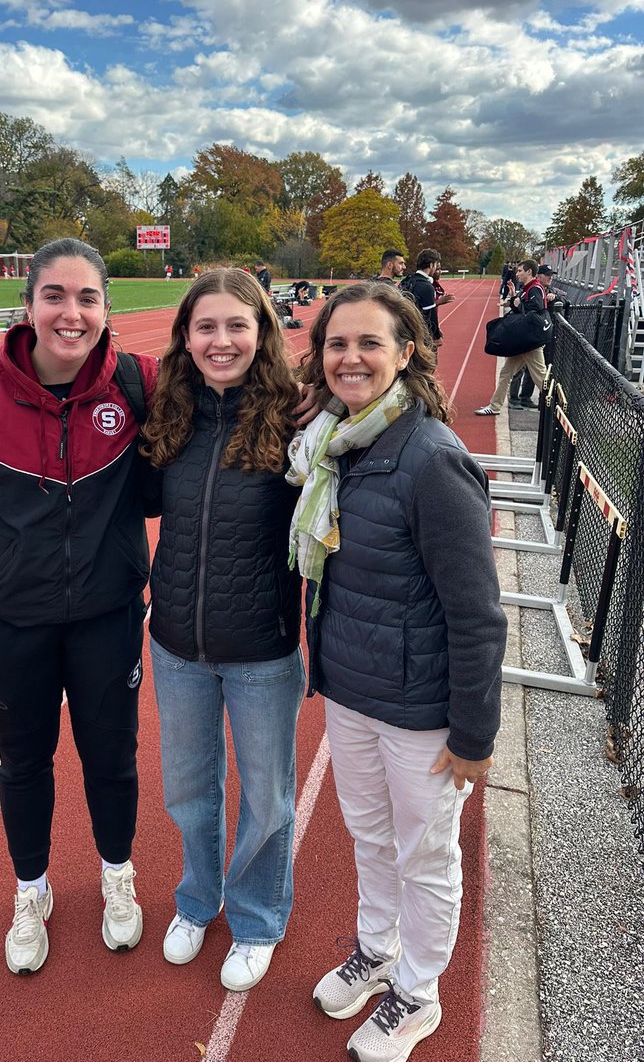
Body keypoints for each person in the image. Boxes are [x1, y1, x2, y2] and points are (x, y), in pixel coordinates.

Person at [0, 238, 159, 976]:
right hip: (9, 624)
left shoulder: (139, 384)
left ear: (106, 308)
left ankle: (117, 874)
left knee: (111, 758)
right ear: (28, 306)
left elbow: (224, 408)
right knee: (23, 763)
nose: (70, 313)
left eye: (87, 298)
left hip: (108, 618)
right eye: (55, 296)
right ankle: (31, 889)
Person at [288, 282, 506, 1062]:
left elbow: (477, 613)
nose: (350, 358)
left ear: (405, 352)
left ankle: (419, 993)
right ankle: (378, 953)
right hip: (352, 693)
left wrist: (474, 735)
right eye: (336, 344)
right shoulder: (335, 443)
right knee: (371, 838)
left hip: (421, 711)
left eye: (368, 343)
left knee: (425, 855)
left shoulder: (431, 458)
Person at [141, 269, 303, 993]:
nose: (221, 340)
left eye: (238, 325)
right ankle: (197, 900)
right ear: (186, 337)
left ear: (262, 333)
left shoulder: (295, 419)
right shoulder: (170, 416)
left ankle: (258, 918)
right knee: (188, 791)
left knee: (266, 799)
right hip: (177, 644)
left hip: (261, 649)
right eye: (206, 326)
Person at [476, 258, 549, 416]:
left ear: (529, 271)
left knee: (541, 377)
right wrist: (514, 298)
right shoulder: (527, 288)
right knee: (506, 373)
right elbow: (522, 307)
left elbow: (535, 310)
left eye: (520, 271)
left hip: (530, 342)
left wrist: (518, 304)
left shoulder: (535, 288)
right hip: (523, 340)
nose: (517, 274)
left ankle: (559, 408)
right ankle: (495, 406)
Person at [509, 263, 558, 408]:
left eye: (551, 275)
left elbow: (563, 301)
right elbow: (526, 308)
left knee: (534, 370)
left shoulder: (548, 290)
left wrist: (555, 298)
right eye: (547, 275)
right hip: (529, 334)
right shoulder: (532, 288)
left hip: (540, 334)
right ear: (538, 275)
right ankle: (514, 398)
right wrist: (515, 299)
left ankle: (526, 397)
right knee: (520, 369)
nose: (550, 278)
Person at [399, 249, 442, 347]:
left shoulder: (406, 281)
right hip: (420, 336)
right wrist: (437, 336)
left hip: (403, 332)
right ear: (431, 265)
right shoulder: (426, 286)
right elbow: (430, 316)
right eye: (436, 265)